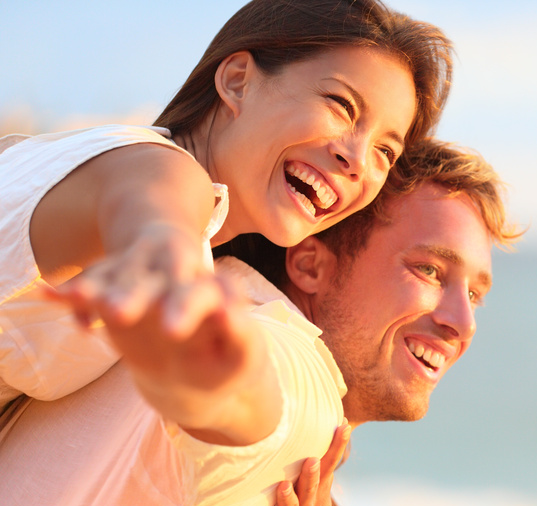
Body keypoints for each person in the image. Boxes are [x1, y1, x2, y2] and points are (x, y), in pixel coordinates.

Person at [0, 139, 522, 506]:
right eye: (429, 270)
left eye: (475, 294)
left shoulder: (230, 301)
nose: (463, 322)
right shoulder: (292, 370)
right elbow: (252, 394)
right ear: (311, 266)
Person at [0, 0, 452, 411]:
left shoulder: (193, 226)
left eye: (385, 152)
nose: (356, 160)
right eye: (340, 104)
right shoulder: (160, 171)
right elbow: (157, 225)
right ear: (237, 81)